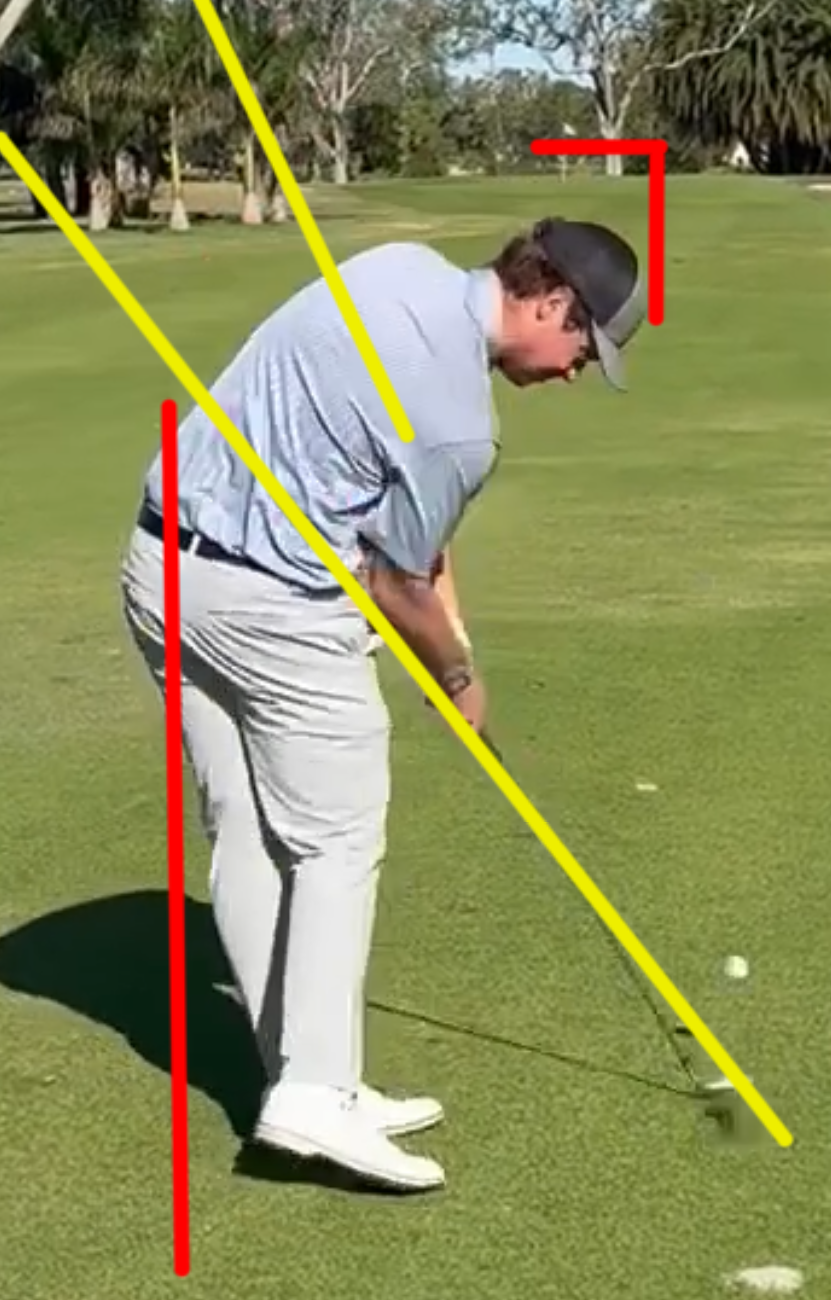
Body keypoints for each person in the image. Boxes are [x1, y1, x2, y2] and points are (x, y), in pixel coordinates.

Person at [118, 218, 647, 1192]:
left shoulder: (395, 267)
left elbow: (406, 522)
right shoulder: (462, 427)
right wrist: (458, 678)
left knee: (248, 826)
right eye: (584, 349)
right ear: (551, 303)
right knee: (337, 837)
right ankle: (316, 1095)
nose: (575, 373)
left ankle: (308, 1076)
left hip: (162, 570)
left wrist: (456, 639)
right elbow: (395, 579)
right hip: (272, 606)